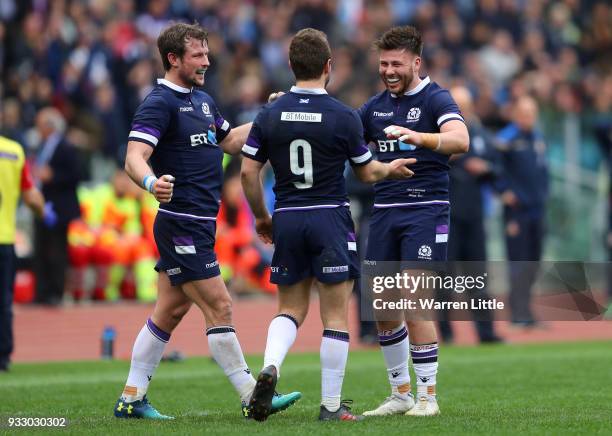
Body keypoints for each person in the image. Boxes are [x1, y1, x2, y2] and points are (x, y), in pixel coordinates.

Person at [115, 22, 300, 420]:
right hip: (180, 222)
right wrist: (150, 182)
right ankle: (253, 396)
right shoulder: (159, 103)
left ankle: (131, 398)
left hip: (200, 222)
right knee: (220, 304)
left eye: (206, 53)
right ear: (173, 59)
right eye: (197, 55)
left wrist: (271, 116)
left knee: (169, 312)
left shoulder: (202, 102)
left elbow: (231, 141)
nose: (206, 61)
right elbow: (133, 156)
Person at [240, 28, 414, 422]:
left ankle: (270, 367)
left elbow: (249, 174)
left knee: (289, 308)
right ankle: (331, 406)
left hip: (287, 216)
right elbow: (367, 173)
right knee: (334, 316)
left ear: (290, 65)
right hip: (330, 217)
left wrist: (262, 217)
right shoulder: (342, 116)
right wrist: (392, 168)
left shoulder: (270, 113)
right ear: (328, 67)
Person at [357, 26, 469, 417]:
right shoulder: (373, 108)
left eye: (397, 64)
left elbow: (460, 139)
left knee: (415, 300)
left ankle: (428, 397)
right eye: (384, 63)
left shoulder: (436, 98)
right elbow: (339, 136)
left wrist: (420, 137)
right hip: (384, 214)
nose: (389, 70)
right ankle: (400, 394)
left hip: (426, 210)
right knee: (384, 307)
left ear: (416, 63)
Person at [438, 86, 503, 344]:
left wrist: (485, 168)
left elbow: (498, 166)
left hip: (475, 216)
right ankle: (445, 333)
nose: (461, 110)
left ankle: (486, 333)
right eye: (456, 105)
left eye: (464, 104)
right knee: (445, 279)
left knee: (477, 277)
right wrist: (463, 162)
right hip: (447, 216)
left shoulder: (481, 134)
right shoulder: (441, 133)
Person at [0, 135, 53, 372]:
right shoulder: (13, 151)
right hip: (5, 239)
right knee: (3, 302)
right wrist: (44, 213)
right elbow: (31, 195)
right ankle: (2, 356)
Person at [495, 95, 548, 327]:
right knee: (518, 261)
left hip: (538, 209)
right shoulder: (506, 139)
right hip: (516, 212)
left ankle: (526, 310)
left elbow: (543, 171)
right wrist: (504, 192)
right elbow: (495, 168)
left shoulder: (537, 137)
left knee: (534, 261)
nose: (529, 118)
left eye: (532, 113)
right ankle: (518, 314)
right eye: (525, 113)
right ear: (516, 114)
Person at [32, 107, 83, 306]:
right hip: (42, 205)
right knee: (41, 249)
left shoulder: (65, 146)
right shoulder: (42, 146)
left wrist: (53, 176)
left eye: (40, 124)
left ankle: (56, 292)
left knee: (57, 251)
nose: (37, 128)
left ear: (50, 126)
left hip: (60, 208)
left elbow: (76, 175)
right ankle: (41, 292)